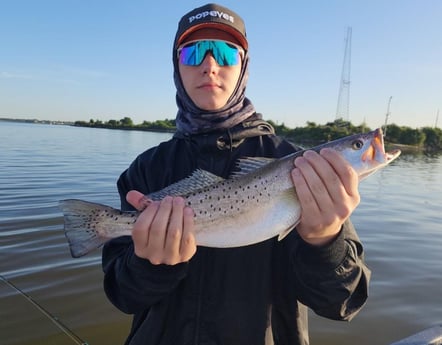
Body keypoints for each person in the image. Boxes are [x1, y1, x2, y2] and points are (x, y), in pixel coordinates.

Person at [102, 3, 371, 345]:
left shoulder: (298, 165)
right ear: (176, 65)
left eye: (225, 52)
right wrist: (151, 264)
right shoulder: (146, 168)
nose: (209, 65)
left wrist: (325, 239)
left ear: (243, 65)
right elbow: (123, 296)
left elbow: (342, 303)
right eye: (193, 52)